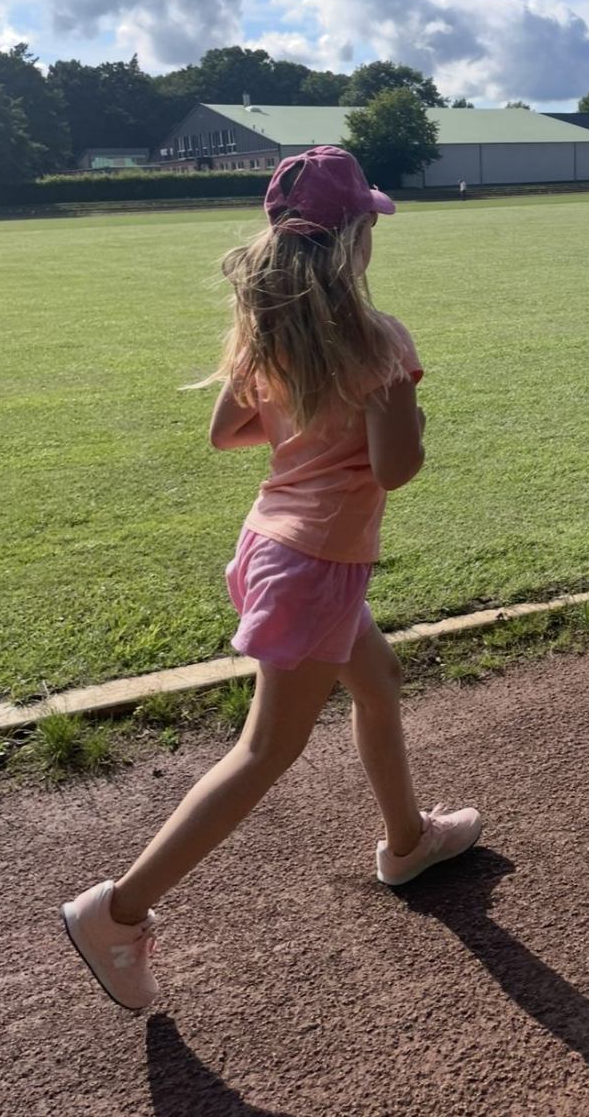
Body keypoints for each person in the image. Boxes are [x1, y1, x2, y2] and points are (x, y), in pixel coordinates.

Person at [61, 146, 482, 1011]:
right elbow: (396, 468)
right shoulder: (379, 341)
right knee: (263, 751)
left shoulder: (267, 333)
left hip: (273, 546)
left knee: (380, 680)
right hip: (320, 564)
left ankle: (407, 840)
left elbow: (228, 434)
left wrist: (305, 435)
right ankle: (117, 911)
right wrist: (409, 415)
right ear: (355, 237)